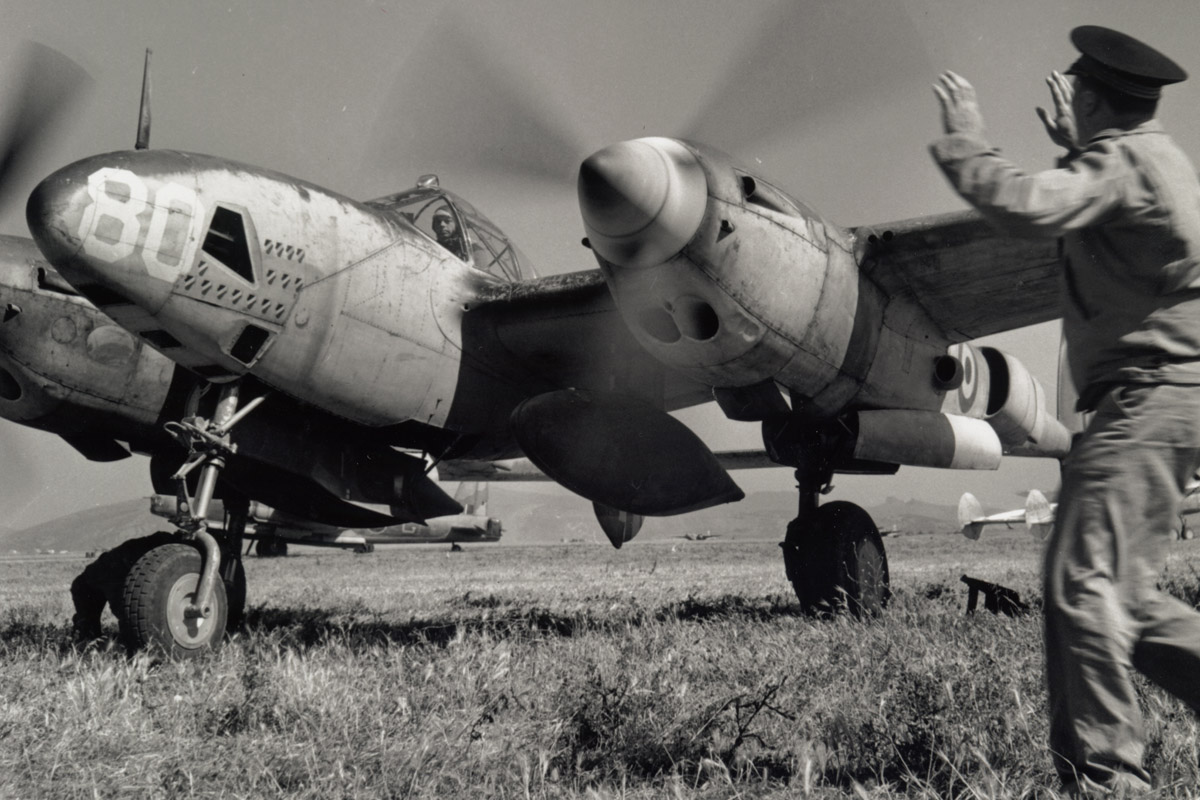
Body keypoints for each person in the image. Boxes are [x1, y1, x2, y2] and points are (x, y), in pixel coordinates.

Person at [931, 26, 1200, 796]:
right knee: (1117, 597)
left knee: (1084, 586)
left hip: (1144, 402)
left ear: (1088, 99)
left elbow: (1023, 204)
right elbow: (1101, 215)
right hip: (1154, 405)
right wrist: (1075, 148)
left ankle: (1112, 782)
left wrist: (966, 141)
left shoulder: (1123, 163)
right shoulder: (1150, 159)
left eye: (1076, 96)